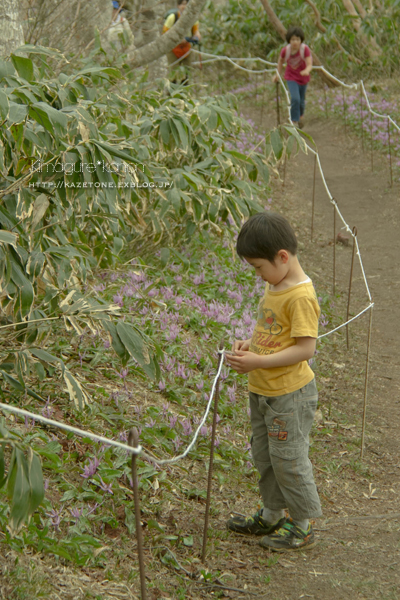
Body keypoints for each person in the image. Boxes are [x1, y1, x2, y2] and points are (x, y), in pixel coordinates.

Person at [225, 212, 322, 552]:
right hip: (263, 390)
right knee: (265, 457)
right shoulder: (275, 283)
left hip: (289, 395)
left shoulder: (300, 296)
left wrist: (259, 361)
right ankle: (271, 515)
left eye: (257, 267)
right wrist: (251, 345)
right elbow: (276, 332)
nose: (257, 275)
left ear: (282, 257)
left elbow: (305, 348)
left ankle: (302, 524)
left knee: (289, 459)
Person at [273, 26, 312, 128]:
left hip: (303, 79)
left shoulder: (305, 49)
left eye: (297, 39)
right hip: (291, 78)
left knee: (301, 101)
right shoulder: (285, 50)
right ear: (289, 40)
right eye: (293, 39)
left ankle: (301, 116)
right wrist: (278, 74)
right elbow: (280, 61)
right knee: (295, 98)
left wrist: (306, 70)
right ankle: (294, 121)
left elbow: (309, 63)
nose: (295, 42)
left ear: (301, 40)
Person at [162, 0, 201, 84]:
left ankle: (184, 95)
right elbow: (164, 34)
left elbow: (196, 32)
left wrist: (196, 37)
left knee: (186, 75)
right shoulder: (173, 17)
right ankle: (171, 95)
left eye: (186, 4)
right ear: (178, 6)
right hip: (172, 49)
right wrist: (178, 40)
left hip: (186, 49)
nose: (184, 6)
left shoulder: (193, 18)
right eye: (182, 4)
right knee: (173, 75)